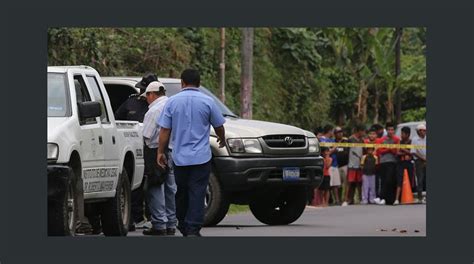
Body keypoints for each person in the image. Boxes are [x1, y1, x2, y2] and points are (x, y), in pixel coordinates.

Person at [157, 69, 226, 237]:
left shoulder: (172, 102)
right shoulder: (208, 102)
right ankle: (193, 228)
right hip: (201, 158)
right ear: (199, 83)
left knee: (181, 191)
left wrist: (160, 152)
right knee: (197, 191)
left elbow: (165, 130)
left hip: (179, 157)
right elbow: (219, 126)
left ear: (182, 82)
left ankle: (183, 223)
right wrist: (222, 138)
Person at [115, 73, 157, 231]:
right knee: (134, 184)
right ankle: (134, 217)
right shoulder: (131, 102)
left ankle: (153, 217)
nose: (143, 94)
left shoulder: (159, 106)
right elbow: (117, 120)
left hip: (152, 149)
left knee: (153, 184)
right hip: (130, 151)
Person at [140, 81, 177, 236]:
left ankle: (159, 224)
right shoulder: (172, 105)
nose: (146, 100)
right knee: (170, 187)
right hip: (173, 150)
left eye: (146, 96)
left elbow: (146, 135)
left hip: (157, 150)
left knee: (156, 186)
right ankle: (171, 223)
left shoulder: (153, 110)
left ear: (152, 94)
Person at [374, 122, 400, 205]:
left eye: (392, 130)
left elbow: (396, 151)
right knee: (384, 180)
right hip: (383, 162)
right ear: (386, 130)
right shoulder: (382, 140)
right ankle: (383, 199)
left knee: (390, 180)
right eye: (389, 129)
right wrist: (389, 149)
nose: (390, 131)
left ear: (394, 130)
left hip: (392, 162)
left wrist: (388, 149)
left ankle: (385, 198)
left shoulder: (396, 139)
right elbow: (380, 151)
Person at [342, 124, 366, 206]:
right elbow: (346, 151)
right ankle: (346, 200)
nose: (364, 133)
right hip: (351, 164)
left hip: (359, 164)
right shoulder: (351, 139)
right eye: (363, 131)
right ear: (359, 131)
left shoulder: (362, 140)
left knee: (359, 182)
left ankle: (360, 199)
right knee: (349, 183)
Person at [319, 125, 341, 205]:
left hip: (335, 164)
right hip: (328, 165)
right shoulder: (322, 140)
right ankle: (325, 202)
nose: (333, 133)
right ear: (329, 131)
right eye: (332, 131)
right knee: (327, 186)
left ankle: (337, 200)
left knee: (335, 184)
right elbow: (324, 153)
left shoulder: (332, 140)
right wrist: (333, 150)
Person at [394, 126, 415, 205]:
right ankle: (396, 199)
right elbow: (397, 153)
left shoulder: (411, 142)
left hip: (409, 163)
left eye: (402, 133)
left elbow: (413, 153)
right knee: (399, 180)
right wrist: (405, 153)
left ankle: (410, 196)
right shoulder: (399, 142)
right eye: (401, 133)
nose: (401, 135)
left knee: (410, 179)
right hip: (400, 163)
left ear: (408, 134)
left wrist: (403, 150)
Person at [411, 124, 427, 203]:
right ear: (418, 131)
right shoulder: (415, 139)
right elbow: (414, 151)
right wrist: (423, 158)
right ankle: (420, 198)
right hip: (419, 161)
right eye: (420, 130)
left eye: (424, 130)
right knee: (420, 179)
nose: (422, 132)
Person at [334, 127, 349, 204]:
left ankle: (345, 199)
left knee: (346, 183)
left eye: (341, 132)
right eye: (338, 132)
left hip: (345, 165)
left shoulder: (346, 141)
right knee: (337, 184)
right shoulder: (333, 142)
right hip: (336, 165)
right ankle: (338, 200)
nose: (340, 133)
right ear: (335, 134)